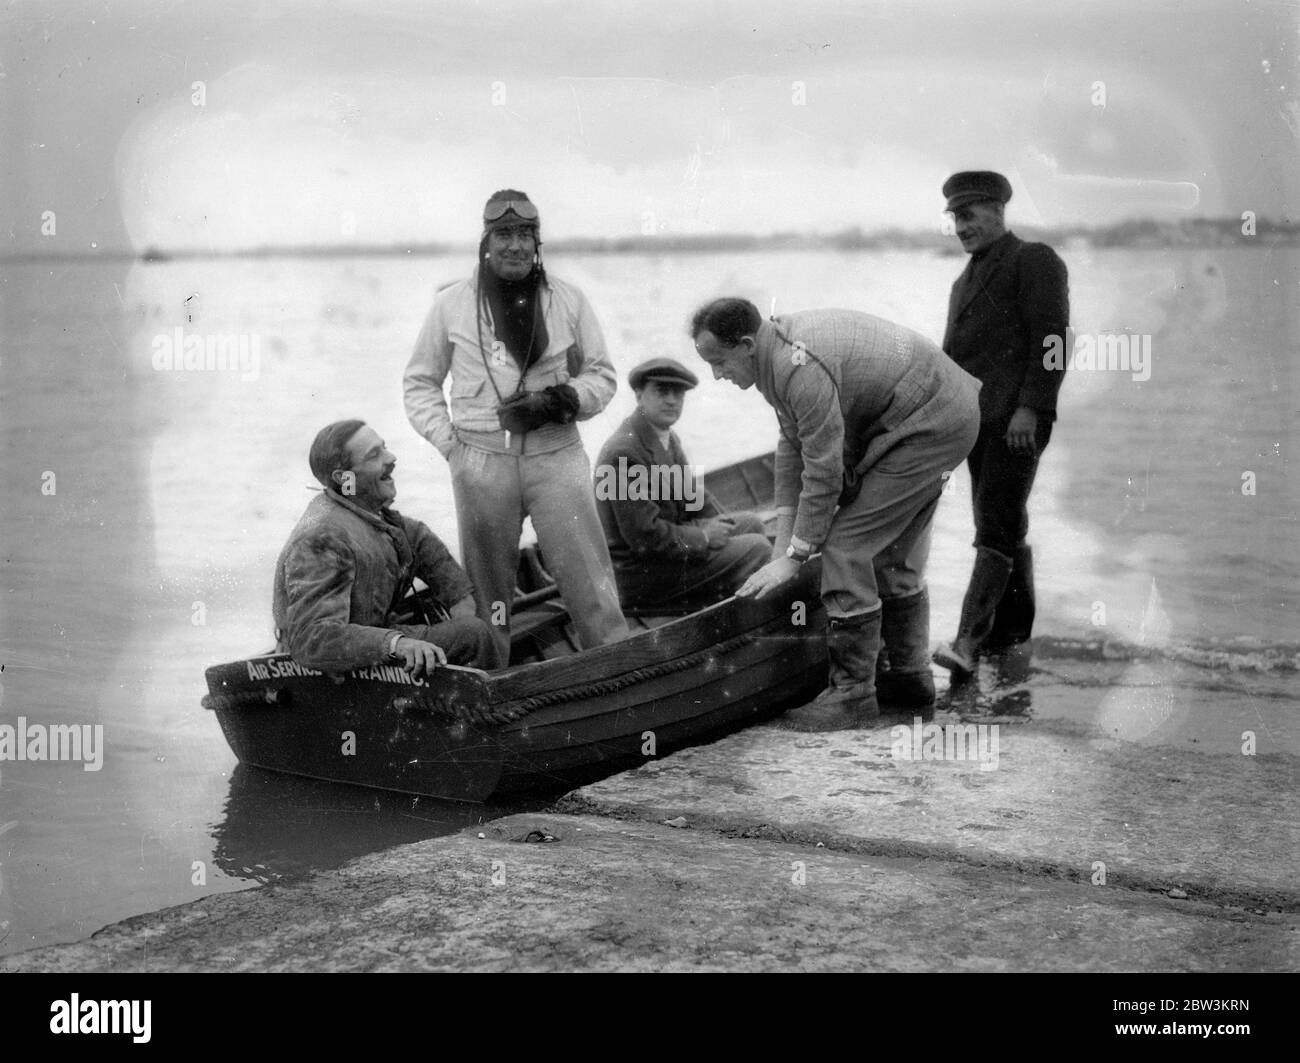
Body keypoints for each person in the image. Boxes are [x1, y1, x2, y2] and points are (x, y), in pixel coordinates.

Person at [691, 298, 981, 731]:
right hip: (943, 413)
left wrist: (798, 554)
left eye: (719, 362)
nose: (717, 376)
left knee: (846, 548)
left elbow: (823, 470)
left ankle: (852, 696)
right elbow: (792, 449)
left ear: (747, 344)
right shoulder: (777, 356)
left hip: (931, 423)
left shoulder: (798, 365)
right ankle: (909, 678)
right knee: (889, 548)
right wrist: (781, 549)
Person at [403, 190, 629, 667]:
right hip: (480, 462)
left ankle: (616, 673)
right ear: (486, 242)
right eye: (504, 234)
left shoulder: (569, 300)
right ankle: (492, 687)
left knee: (591, 580)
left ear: (537, 242)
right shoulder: (450, 306)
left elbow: (602, 376)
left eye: (525, 234)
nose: (515, 246)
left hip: (558, 454)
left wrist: (564, 399)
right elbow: (419, 383)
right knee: (489, 597)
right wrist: (451, 447)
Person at [932, 171, 1069, 677]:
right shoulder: (962, 281)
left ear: (997, 211)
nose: (961, 227)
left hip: (1018, 423)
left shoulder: (1033, 260)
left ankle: (967, 643)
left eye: (968, 215)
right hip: (977, 426)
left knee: (994, 524)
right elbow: (951, 361)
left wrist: (1031, 408)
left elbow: (1053, 341)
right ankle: (1011, 641)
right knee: (1005, 526)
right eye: (954, 218)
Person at [272, 419, 495, 676]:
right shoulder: (321, 539)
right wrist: (396, 644)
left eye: (384, 447)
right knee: (474, 634)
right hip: (327, 670)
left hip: (370, 650)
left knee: (470, 630)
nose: (391, 458)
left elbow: (428, 553)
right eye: (374, 455)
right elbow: (313, 639)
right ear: (345, 480)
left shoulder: (377, 517)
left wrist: (459, 603)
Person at [594, 357, 770, 609]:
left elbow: (693, 498)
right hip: (638, 574)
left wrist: (723, 526)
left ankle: (729, 597)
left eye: (678, 393)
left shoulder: (665, 436)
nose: (672, 400)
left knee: (751, 524)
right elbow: (644, 537)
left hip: (664, 553)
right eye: (662, 391)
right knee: (757, 548)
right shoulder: (623, 452)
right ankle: (741, 617)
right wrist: (705, 537)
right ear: (639, 394)